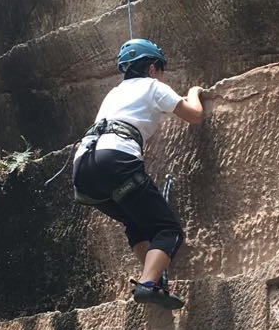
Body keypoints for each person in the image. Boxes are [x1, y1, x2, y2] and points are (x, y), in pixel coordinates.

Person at [73, 38, 204, 310]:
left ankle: (152, 281)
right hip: (115, 159)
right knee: (168, 230)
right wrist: (193, 92)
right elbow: (194, 115)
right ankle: (147, 284)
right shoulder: (153, 86)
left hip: (83, 168)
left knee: (137, 222)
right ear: (153, 67)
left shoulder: (114, 93)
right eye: (162, 69)